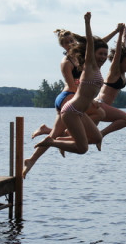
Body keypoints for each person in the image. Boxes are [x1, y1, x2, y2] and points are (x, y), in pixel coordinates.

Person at [35, 12, 107, 157]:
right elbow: (91, 44)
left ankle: (56, 138)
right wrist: (87, 23)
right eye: (100, 54)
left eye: (105, 55)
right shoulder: (89, 65)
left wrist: (118, 36)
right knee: (82, 148)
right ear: (92, 54)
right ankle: (52, 142)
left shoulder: (97, 68)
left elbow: (100, 44)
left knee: (97, 137)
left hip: (78, 111)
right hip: (72, 110)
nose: (103, 57)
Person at [96, 26, 126, 139]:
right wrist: (119, 33)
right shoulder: (114, 72)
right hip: (100, 104)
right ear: (120, 63)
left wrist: (124, 40)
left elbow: (121, 53)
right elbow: (118, 54)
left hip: (103, 107)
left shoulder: (121, 72)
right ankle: (100, 135)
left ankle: (48, 131)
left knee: (83, 136)